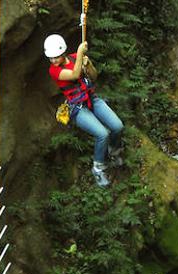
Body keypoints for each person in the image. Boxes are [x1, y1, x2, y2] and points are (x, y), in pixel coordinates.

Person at [44, 34, 124, 187]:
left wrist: (88, 65)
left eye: (56, 57)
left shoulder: (75, 58)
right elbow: (74, 74)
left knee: (117, 126)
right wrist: (81, 52)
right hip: (77, 107)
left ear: (63, 52)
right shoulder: (54, 70)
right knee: (102, 134)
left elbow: (93, 76)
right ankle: (98, 167)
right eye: (50, 58)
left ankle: (114, 151)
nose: (53, 61)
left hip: (92, 99)